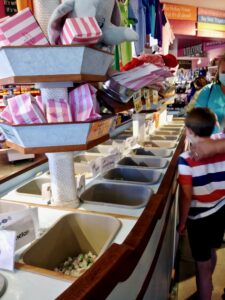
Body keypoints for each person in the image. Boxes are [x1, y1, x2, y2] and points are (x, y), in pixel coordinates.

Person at [177, 107, 225, 300]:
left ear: (188, 131)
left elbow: (187, 196)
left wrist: (182, 222)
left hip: (198, 219)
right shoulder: (221, 151)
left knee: (201, 266)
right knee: (212, 250)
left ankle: (205, 290)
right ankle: (209, 282)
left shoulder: (186, 160)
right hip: (221, 210)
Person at [195, 55, 225, 132]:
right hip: (211, 141)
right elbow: (196, 117)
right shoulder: (208, 90)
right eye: (224, 72)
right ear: (218, 73)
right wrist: (209, 119)